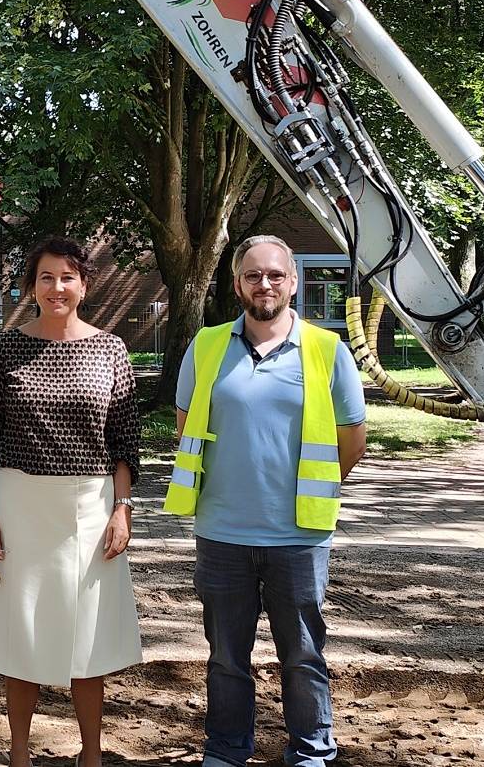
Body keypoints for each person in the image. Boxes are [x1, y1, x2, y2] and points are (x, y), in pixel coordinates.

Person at [165, 235, 368, 767]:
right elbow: (186, 427)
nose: (265, 284)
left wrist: (312, 489)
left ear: (293, 282)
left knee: (303, 656)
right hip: (222, 533)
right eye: (253, 275)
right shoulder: (206, 345)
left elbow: (352, 440)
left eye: (276, 274)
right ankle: (226, 750)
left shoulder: (328, 350)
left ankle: (311, 751)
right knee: (226, 658)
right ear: (237, 285)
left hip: (298, 536)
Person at [0, 237, 143, 767]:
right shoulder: (6, 349)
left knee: (89, 636)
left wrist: (121, 509)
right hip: (19, 505)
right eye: (46, 277)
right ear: (32, 286)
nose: (56, 287)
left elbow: (125, 441)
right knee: (23, 634)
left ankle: (91, 754)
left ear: (84, 285)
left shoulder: (111, 349)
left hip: (90, 506)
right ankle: (19, 752)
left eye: (67, 277)